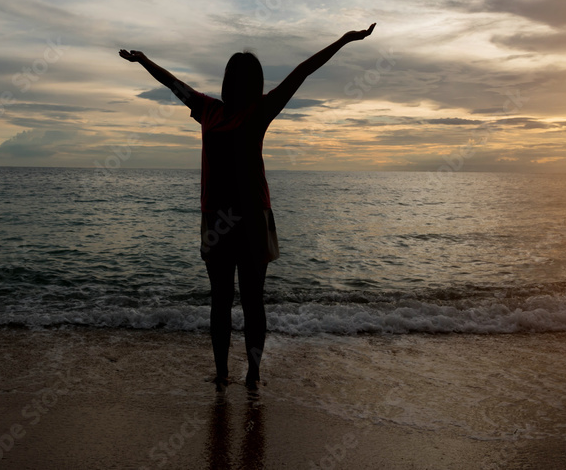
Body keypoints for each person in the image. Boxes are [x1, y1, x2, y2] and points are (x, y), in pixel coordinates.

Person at [119, 22, 376, 389]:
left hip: (243, 216)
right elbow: (173, 84)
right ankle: (232, 374)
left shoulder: (245, 110)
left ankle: (245, 374)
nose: (237, 84)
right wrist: (145, 61)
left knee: (240, 301)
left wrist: (345, 40)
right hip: (229, 217)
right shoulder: (217, 109)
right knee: (232, 301)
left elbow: (302, 71)